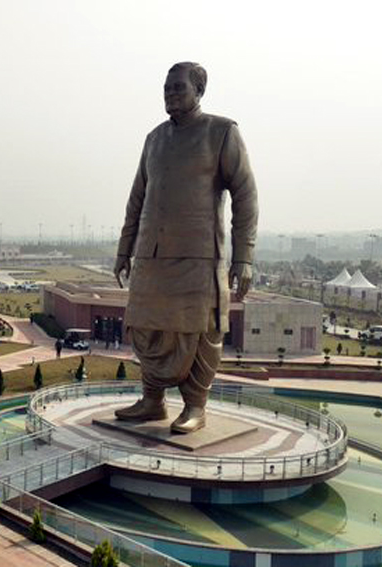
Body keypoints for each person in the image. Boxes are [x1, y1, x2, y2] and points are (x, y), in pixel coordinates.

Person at [113, 62, 258, 433]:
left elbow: (245, 195)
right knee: (145, 326)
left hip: (199, 257)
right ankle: (152, 401)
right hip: (151, 257)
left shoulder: (221, 132)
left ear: (199, 91)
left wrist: (244, 257)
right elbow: (137, 198)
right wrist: (124, 250)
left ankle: (196, 406)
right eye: (166, 88)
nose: (170, 94)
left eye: (178, 87)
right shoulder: (154, 139)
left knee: (200, 331)